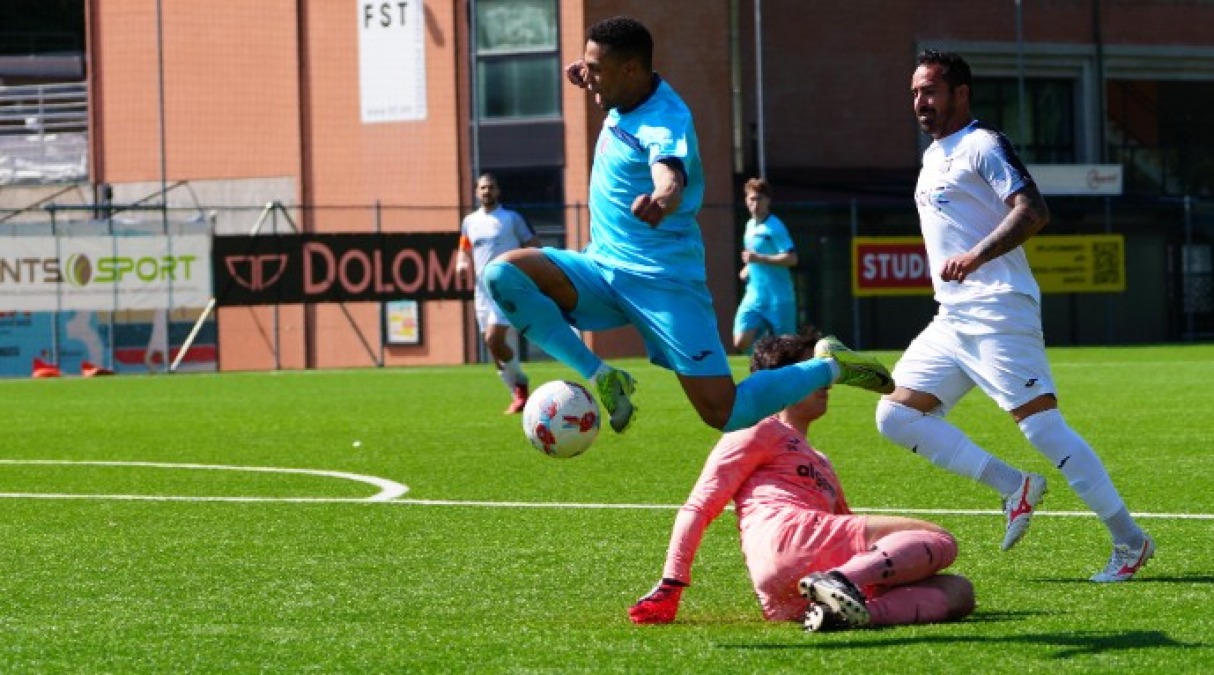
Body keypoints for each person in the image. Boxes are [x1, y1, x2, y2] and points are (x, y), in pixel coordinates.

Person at [483, 16, 893, 436]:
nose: (590, 79)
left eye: (597, 70)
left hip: (664, 281)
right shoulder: (621, 94)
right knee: (503, 274)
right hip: (601, 269)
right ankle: (603, 376)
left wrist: (662, 198)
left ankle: (831, 367)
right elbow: (603, 80)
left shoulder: (665, 120)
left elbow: (670, 173)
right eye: (587, 67)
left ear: (629, 70)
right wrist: (588, 71)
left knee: (724, 412)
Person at [873, 49, 1153, 581]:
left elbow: (1034, 211)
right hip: (952, 317)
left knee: (1044, 428)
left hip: (998, 308)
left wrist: (976, 255)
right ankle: (1013, 486)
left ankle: (1130, 542)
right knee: (895, 415)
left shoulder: (982, 144)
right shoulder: (934, 156)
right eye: (914, 92)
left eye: (930, 90)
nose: (920, 102)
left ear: (961, 93)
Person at [628, 332, 975, 632]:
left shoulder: (818, 459)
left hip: (789, 590)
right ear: (783, 381)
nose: (825, 382)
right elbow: (700, 505)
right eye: (812, 370)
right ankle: (840, 581)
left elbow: (850, 529)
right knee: (939, 539)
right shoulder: (758, 427)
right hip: (789, 536)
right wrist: (672, 581)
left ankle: (855, 614)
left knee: (958, 592)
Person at [457, 172, 542, 414]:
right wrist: (461, 262)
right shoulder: (469, 221)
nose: (487, 192)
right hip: (481, 292)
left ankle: (521, 383)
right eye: (482, 188)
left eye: (491, 187)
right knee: (493, 349)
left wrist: (532, 272)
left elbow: (534, 245)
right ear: (476, 192)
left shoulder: (511, 218)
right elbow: (464, 247)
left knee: (493, 339)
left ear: (498, 191)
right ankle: (517, 392)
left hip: (506, 288)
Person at [733, 177, 798, 354]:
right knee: (740, 341)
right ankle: (764, 361)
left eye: (759, 198)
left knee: (788, 351)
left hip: (779, 299)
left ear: (768, 200)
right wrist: (748, 269)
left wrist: (759, 259)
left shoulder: (775, 227)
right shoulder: (749, 226)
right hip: (755, 297)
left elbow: (792, 258)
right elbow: (753, 258)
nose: (755, 203)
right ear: (746, 200)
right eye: (751, 199)